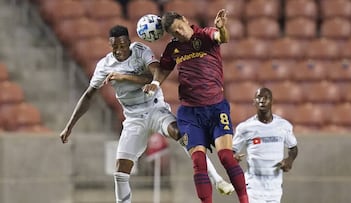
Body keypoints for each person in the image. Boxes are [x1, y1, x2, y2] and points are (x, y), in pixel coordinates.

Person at [59, 25, 234, 203]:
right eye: (115, 47)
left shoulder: (141, 51)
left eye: (122, 45)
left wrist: (124, 77)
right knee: (120, 171)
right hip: (133, 118)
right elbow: (88, 96)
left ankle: (218, 180)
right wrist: (69, 126)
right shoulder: (104, 65)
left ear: (128, 42)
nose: (119, 50)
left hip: (155, 108)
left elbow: (156, 75)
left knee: (182, 134)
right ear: (110, 45)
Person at [143, 9, 248, 203]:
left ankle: (245, 200)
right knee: (198, 162)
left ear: (185, 19)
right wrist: (155, 83)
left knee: (226, 156)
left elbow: (221, 38)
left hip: (216, 108)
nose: (180, 34)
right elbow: (164, 69)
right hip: (190, 112)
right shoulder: (173, 48)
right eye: (175, 33)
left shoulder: (205, 35)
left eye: (180, 28)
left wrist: (222, 28)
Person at [232, 87, 299, 203]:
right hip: (253, 188)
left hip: (275, 188)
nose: (262, 100)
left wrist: (290, 160)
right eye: (259, 98)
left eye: (266, 97)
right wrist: (232, 158)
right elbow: (230, 151)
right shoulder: (245, 128)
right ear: (254, 102)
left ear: (272, 101)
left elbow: (293, 148)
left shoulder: (283, 126)